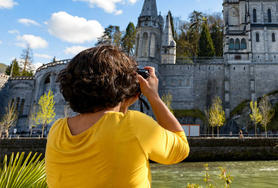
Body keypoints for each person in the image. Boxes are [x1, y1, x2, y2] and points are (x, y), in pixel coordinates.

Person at [45, 45, 189, 188]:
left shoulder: (57, 129)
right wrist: (153, 96)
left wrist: (123, 104)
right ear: (122, 84)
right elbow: (181, 149)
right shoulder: (133, 124)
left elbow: (110, 127)